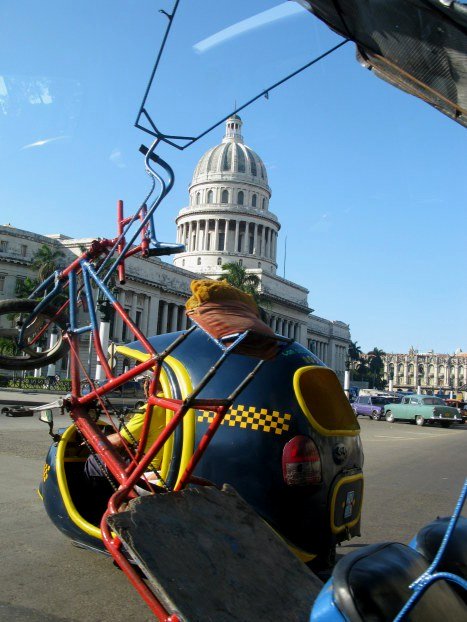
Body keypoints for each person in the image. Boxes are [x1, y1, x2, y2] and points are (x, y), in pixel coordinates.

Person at [83, 377, 166, 490]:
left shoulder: (151, 408)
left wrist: (91, 441)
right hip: (166, 464)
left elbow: (120, 441)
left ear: (150, 384)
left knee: (94, 461)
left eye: (145, 384)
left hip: (147, 466)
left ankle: (99, 499)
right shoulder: (173, 404)